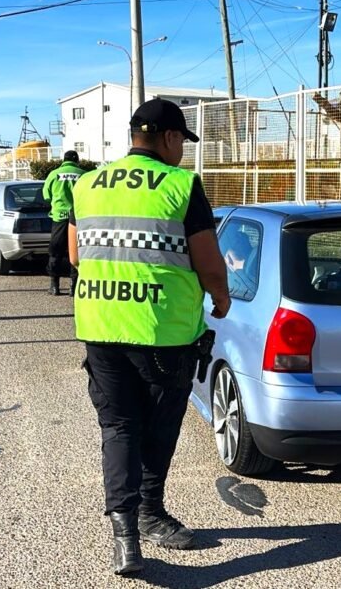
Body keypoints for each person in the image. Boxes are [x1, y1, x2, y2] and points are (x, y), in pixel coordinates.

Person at [68, 98, 230, 576]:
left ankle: (126, 538)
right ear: (169, 138)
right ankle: (150, 512)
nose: (183, 149)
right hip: (162, 334)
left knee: (118, 427)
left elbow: (77, 257)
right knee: (158, 428)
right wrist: (220, 298)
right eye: (182, 140)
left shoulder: (87, 183)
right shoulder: (181, 184)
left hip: (99, 328)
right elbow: (207, 261)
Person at [42, 150, 85, 296]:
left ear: (63, 160)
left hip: (59, 218)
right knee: (77, 252)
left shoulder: (54, 174)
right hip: (79, 218)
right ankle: (74, 286)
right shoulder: (84, 174)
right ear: (77, 160)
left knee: (55, 252)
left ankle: (54, 286)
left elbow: (46, 195)